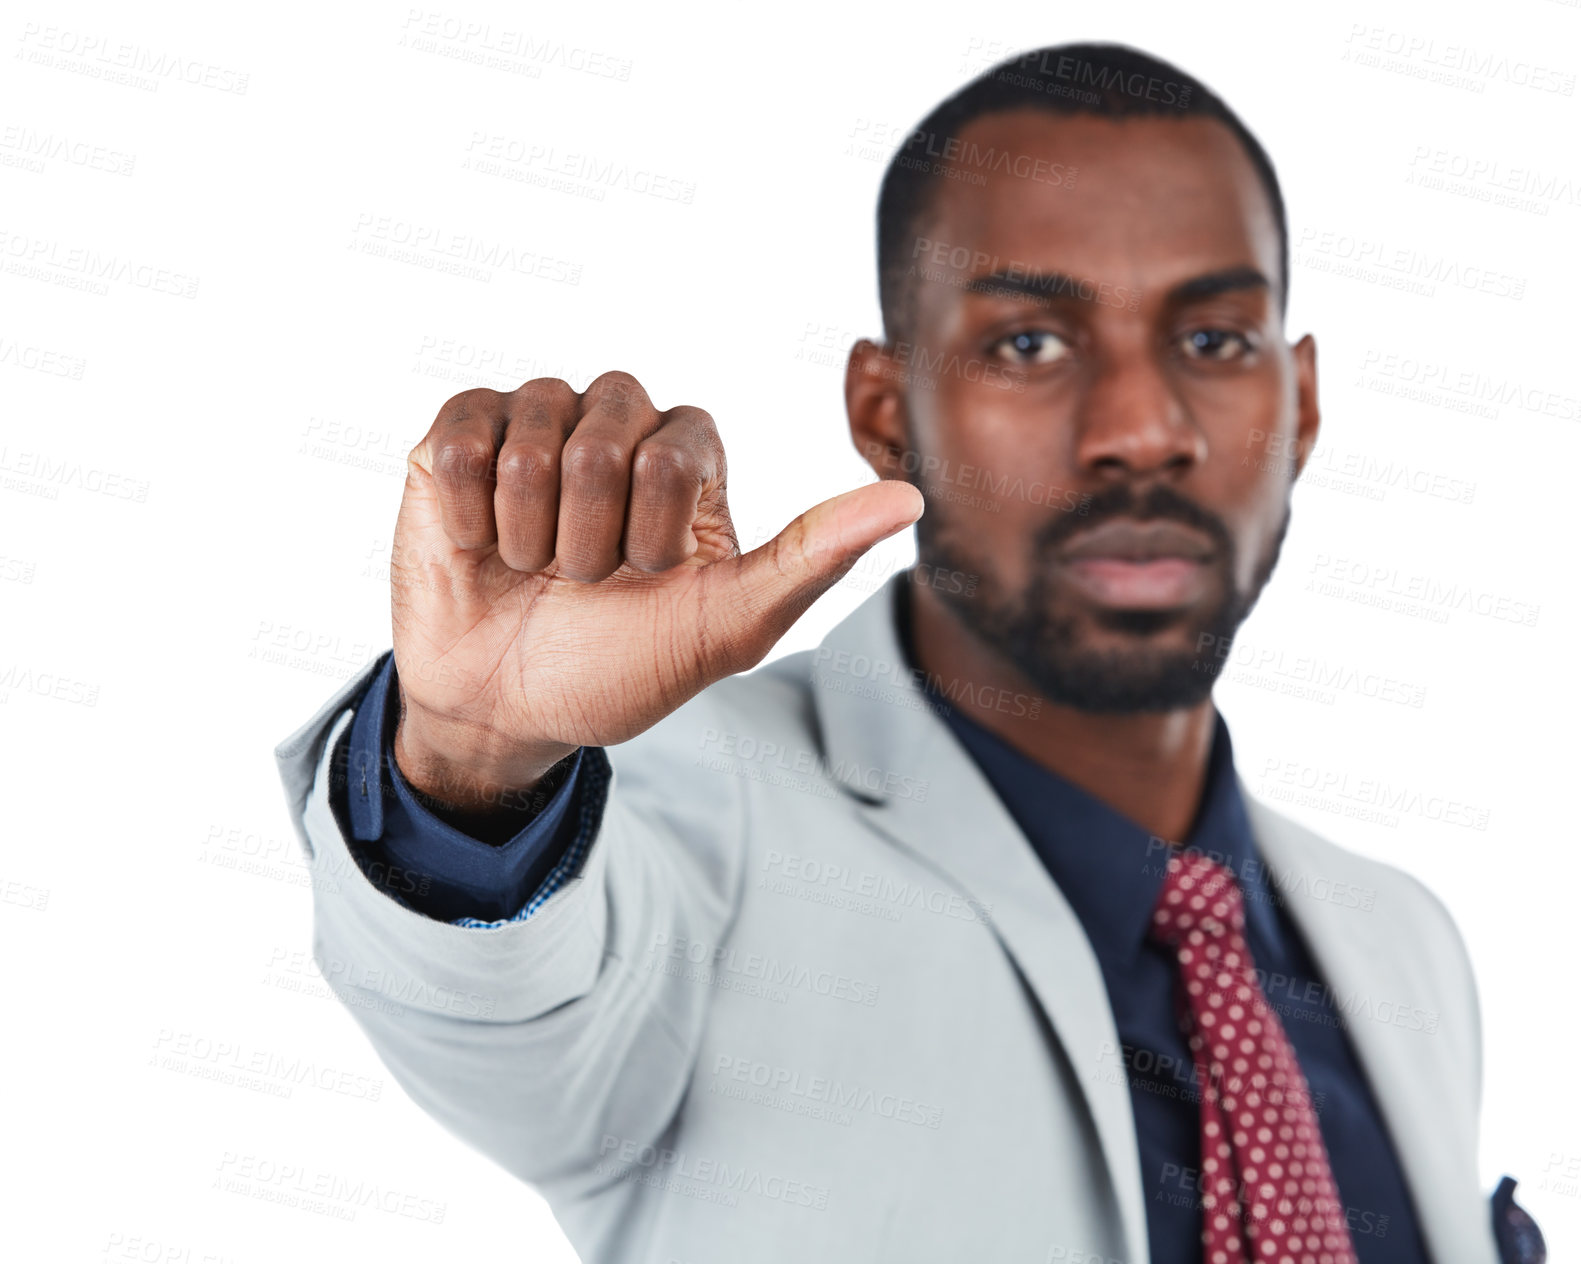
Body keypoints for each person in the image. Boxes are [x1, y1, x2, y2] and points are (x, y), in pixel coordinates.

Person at [273, 42, 1541, 1264]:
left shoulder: (1401, 942)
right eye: (1029, 344)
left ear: (1300, 402)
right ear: (887, 411)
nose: (1144, 431)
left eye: (1213, 341)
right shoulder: (678, 808)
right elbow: (502, 1015)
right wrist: (481, 757)